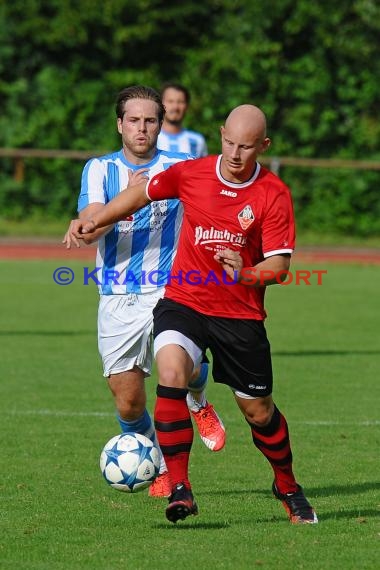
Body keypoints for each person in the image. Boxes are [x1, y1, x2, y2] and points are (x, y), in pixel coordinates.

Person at [67, 103, 318, 525]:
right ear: (221, 135)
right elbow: (141, 193)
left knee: (259, 412)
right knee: (171, 372)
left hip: (239, 314)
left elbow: (279, 267)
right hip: (183, 301)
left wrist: (247, 270)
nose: (236, 154)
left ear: (264, 146)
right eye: (230, 143)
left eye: (247, 147)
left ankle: (288, 485)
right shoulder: (193, 172)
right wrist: (95, 221)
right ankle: (180, 486)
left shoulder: (274, 193)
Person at [62, 85, 225, 499]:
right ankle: (150, 454)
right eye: (133, 120)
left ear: (160, 125)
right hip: (116, 296)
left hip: (171, 290)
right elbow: (90, 227)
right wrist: (129, 196)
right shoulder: (99, 169)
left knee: (182, 369)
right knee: (129, 404)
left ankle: (197, 400)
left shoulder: (181, 166)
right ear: (119, 124)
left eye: (150, 120)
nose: (142, 128)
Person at [157, 83, 208, 157]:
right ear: (160, 104)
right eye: (170, 101)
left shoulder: (197, 141)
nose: (175, 107)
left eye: (181, 102)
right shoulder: (150, 138)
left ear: (187, 106)